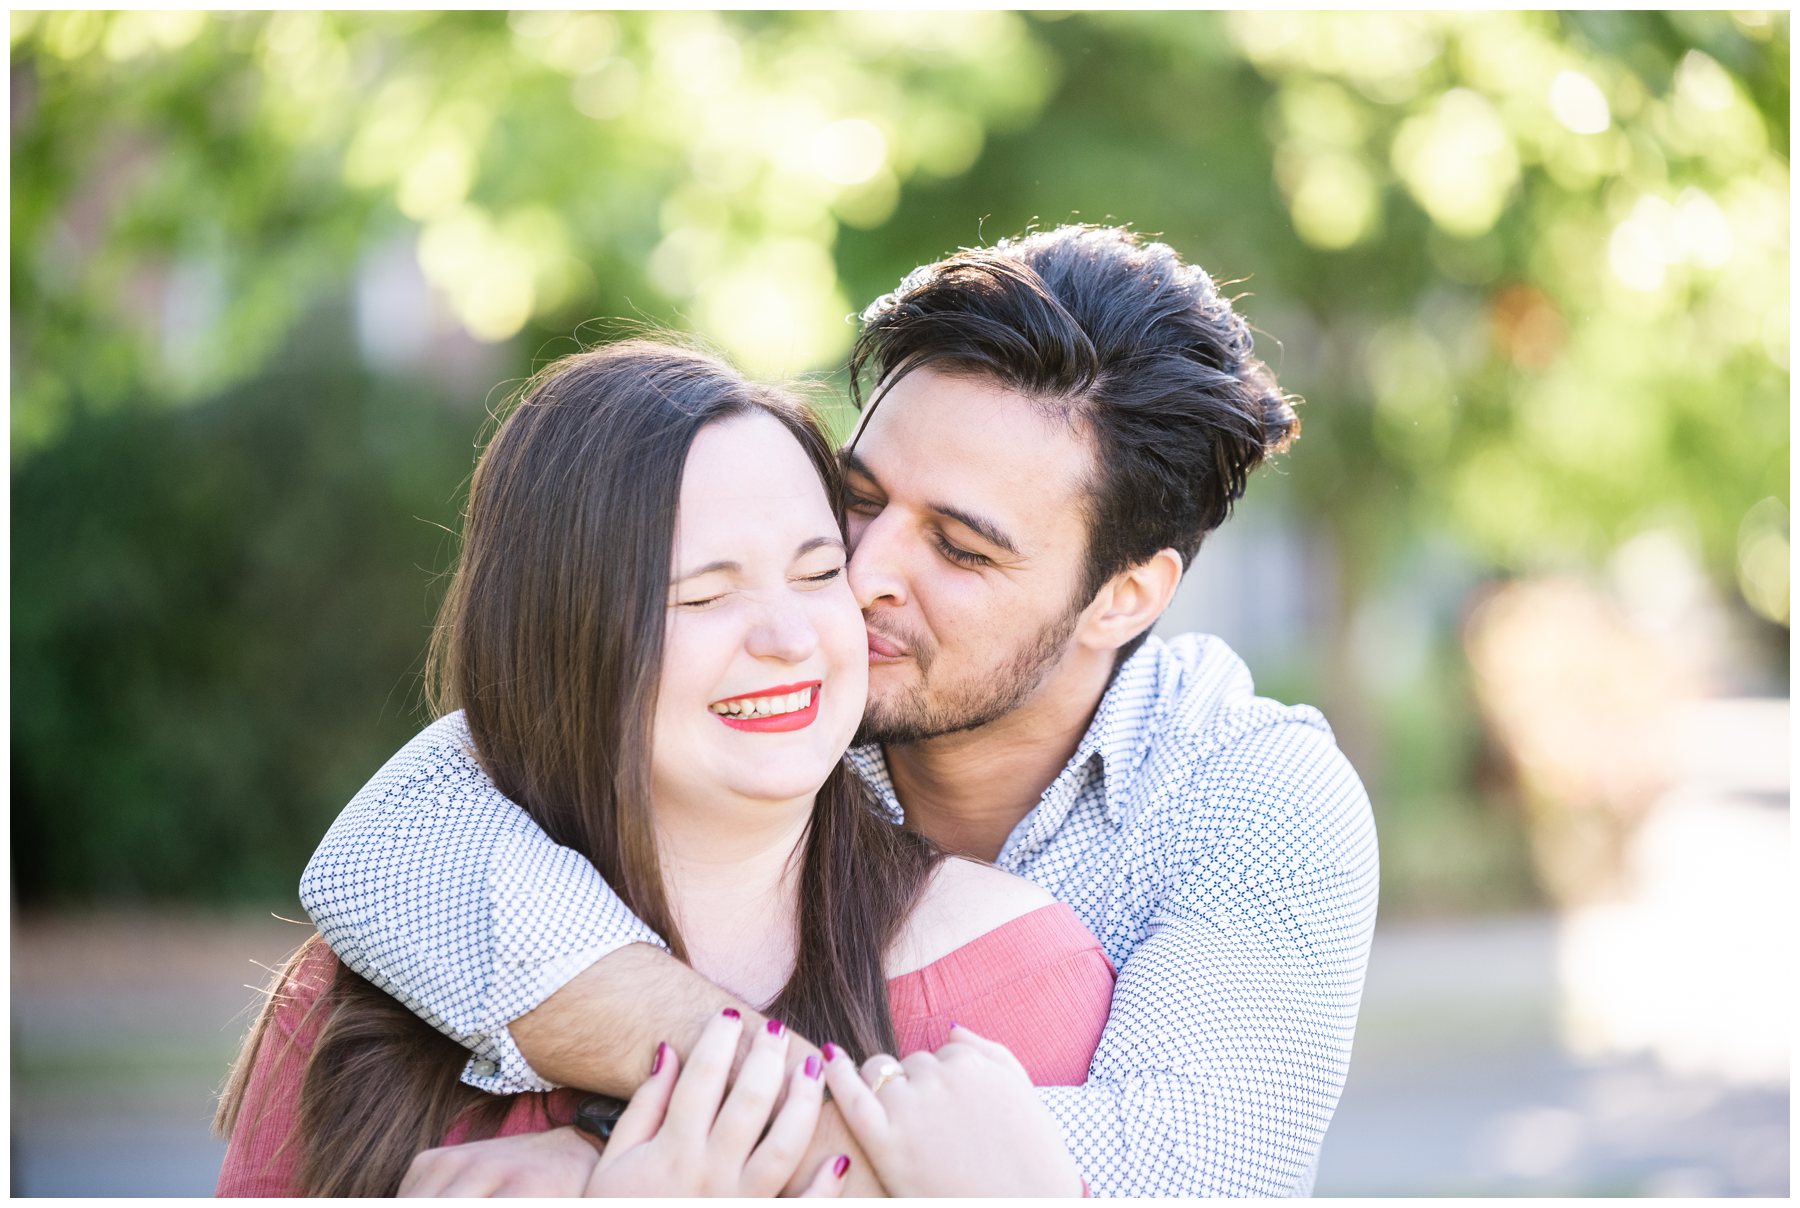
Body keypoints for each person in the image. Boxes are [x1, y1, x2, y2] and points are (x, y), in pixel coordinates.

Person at [300, 225, 1381, 1196]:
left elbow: (1181, 1176)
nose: (859, 576)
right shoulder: (777, 697)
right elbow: (395, 853)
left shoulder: (1248, 795)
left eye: (959, 549)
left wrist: (613, 1143)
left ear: (1123, 596)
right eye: (857, 498)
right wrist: (706, 1082)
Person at [214, 341, 1112, 1196]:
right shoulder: (371, 991)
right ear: (562, 638)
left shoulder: (1014, 978)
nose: (789, 638)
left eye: (817, 573)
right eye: (705, 595)